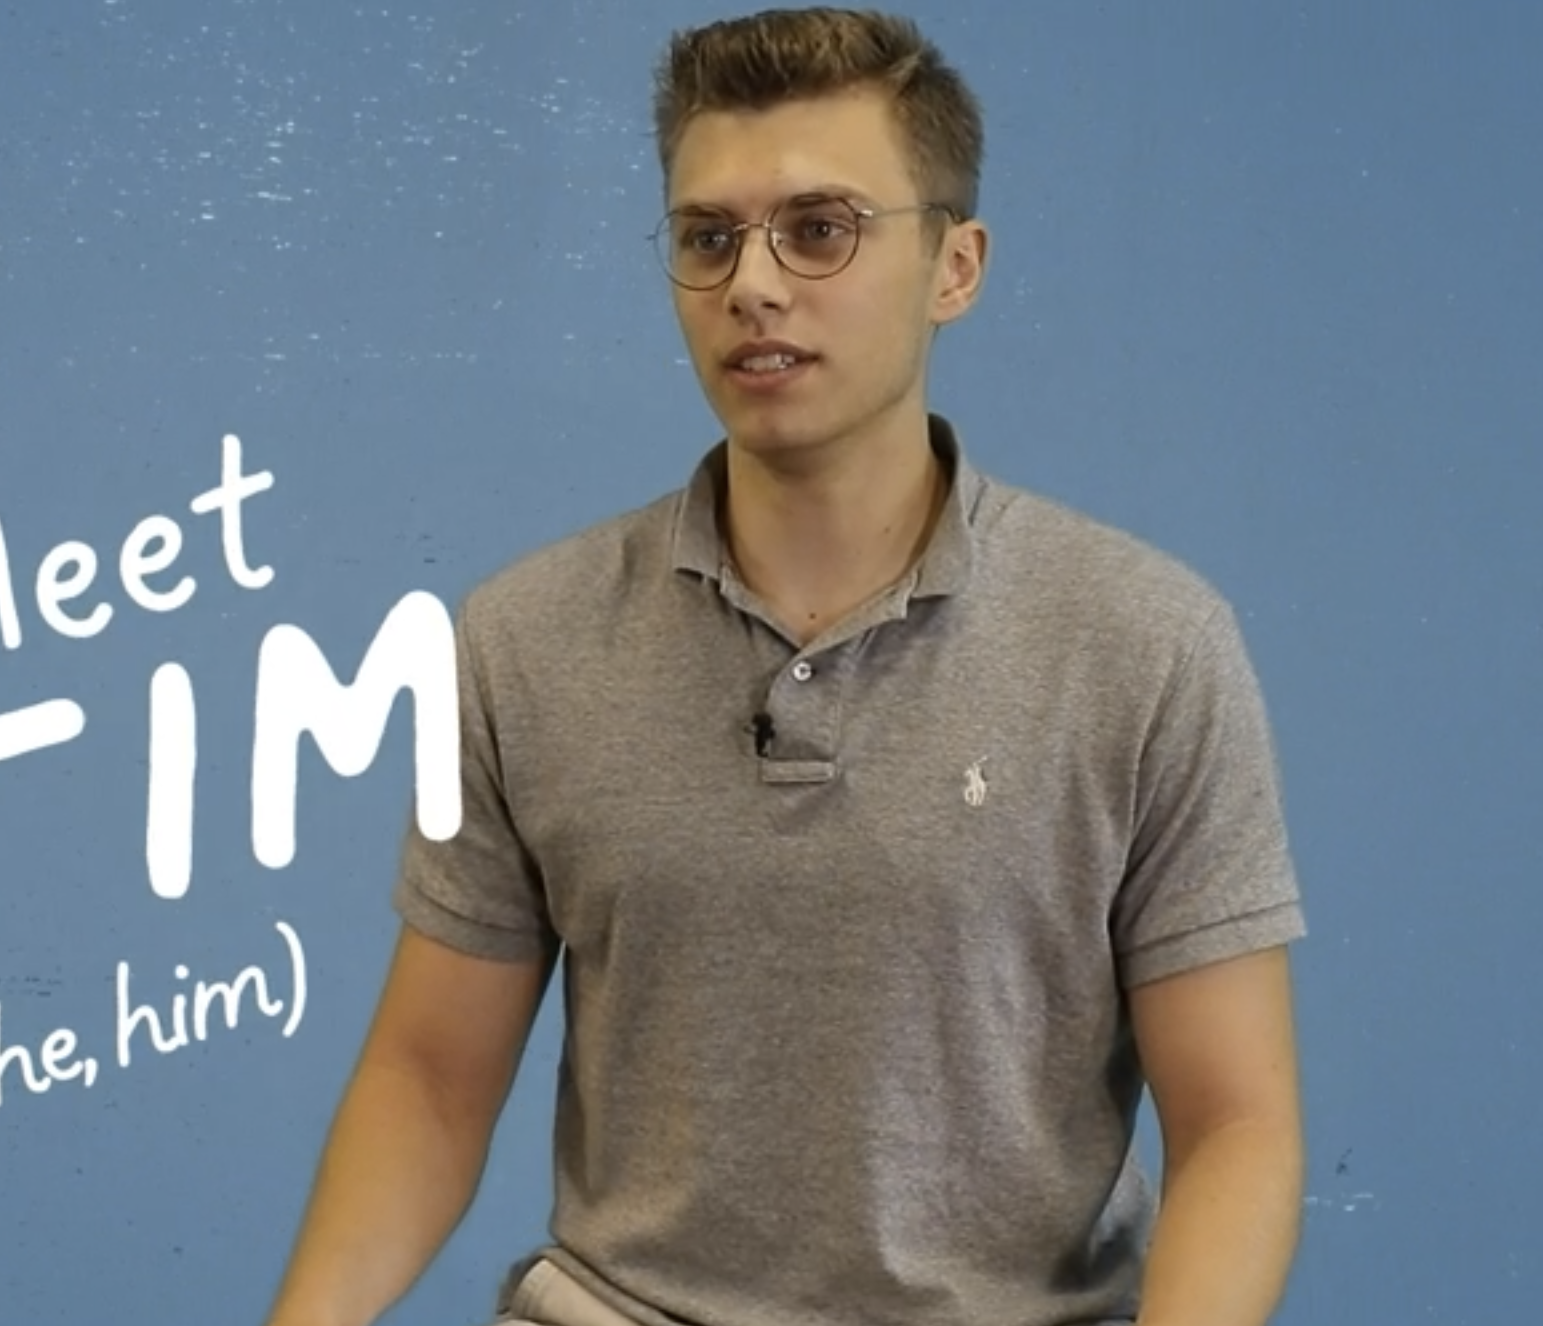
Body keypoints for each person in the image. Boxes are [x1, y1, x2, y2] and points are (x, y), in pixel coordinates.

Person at [263, 8, 1308, 1326]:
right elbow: (427, 1080)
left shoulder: (1145, 644)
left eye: (820, 229)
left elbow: (1236, 1124)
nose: (753, 284)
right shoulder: (521, 639)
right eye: (709, 238)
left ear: (955, 266)